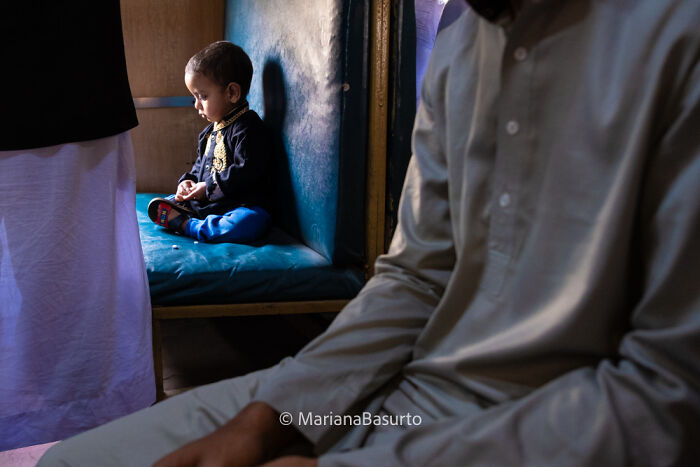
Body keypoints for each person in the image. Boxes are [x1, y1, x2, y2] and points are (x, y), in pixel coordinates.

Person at [40, 0, 700, 465]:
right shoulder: (464, 43)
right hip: (401, 394)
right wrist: (274, 413)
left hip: (548, 427)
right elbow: (414, 279)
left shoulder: (675, 36)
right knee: (76, 461)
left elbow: (670, 397)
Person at [0, 0, 154, 451]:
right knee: (64, 279)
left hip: (74, 79)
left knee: (73, 280)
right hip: (76, 78)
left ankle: (73, 427)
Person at [147, 41, 273, 244]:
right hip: (210, 204)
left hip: (240, 205)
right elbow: (199, 168)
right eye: (194, 97)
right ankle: (184, 213)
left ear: (232, 93)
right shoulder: (208, 133)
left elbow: (246, 171)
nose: (196, 105)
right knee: (173, 199)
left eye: (202, 96)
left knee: (249, 222)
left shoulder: (249, 128)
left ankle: (187, 225)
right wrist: (187, 183)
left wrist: (208, 188)